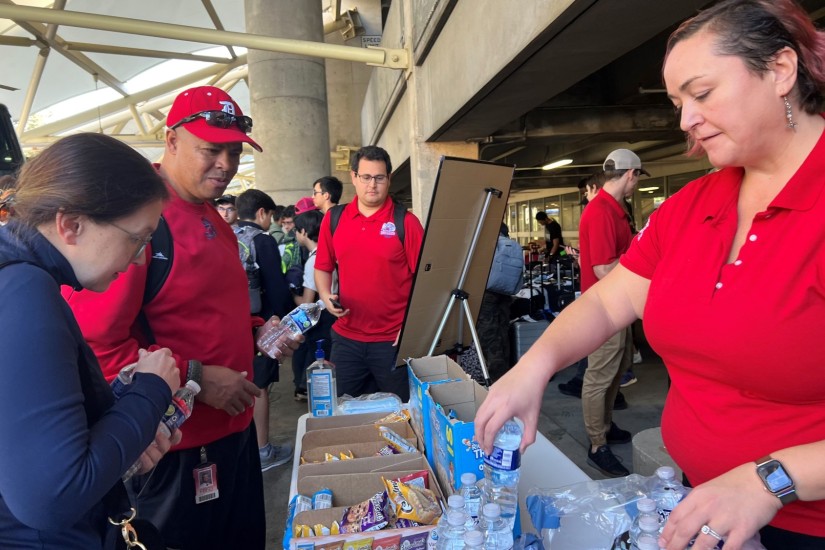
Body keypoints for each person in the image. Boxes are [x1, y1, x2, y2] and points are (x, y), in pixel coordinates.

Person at [476, 0, 825, 547]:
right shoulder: (692, 205)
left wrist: (771, 479)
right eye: (678, 103)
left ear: (780, 70)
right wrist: (534, 366)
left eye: (702, 93)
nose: (685, 120)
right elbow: (608, 301)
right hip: (697, 502)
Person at [64, 86, 300, 549]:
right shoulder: (136, 219)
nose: (226, 164)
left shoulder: (212, 218)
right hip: (171, 453)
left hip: (233, 436)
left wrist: (258, 332)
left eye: (235, 152)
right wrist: (195, 377)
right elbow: (95, 348)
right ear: (171, 141)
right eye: (211, 149)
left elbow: (206, 308)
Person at [0, 133, 181, 548]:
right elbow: (51, 497)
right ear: (71, 225)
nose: (140, 258)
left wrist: (123, 428)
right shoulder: (25, 289)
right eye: (137, 238)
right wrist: (151, 390)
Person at [315, 145, 424, 401]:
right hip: (346, 339)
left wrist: (412, 326)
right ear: (353, 177)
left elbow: (427, 281)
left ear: (389, 179)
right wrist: (325, 294)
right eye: (365, 177)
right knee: (343, 411)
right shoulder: (334, 219)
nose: (372, 185)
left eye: (379, 177)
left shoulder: (406, 223)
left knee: (401, 412)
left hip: (393, 342)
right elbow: (322, 267)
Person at [235, 188, 294, 471]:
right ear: (261, 213)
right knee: (259, 386)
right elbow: (277, 288)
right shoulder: (263, 240)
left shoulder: (226, 235)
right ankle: (262, 450)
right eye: (270, 215)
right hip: (260, 324)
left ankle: (242, 449)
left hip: (230, 325)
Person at [290, 208, 334, 401]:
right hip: (333, 313)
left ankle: (312, 393)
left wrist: (291, 292)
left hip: (321, 317)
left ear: (304, 232)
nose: (295, 234)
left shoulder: (313, 261)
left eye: (296, 230)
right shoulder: (331, 253)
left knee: (316, 358)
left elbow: (306, 303)